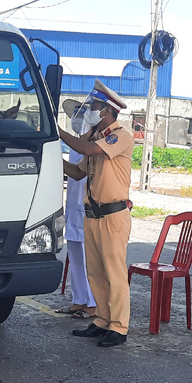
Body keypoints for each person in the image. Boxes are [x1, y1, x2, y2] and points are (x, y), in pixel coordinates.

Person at [60, 80, 133, 348]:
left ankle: (119, 326)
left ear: (107, 111)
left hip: (113, 216)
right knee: (96, 272)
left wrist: (57, 133)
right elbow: (78, 172)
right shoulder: (97, 140)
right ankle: (102, 320)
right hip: (91, 215)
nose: (90, 110)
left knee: (114, 273)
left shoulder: (120, 136)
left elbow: (88, 150)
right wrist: (53, 159)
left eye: (95, 106)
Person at [54, 99, 97, 319]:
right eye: (76, 116)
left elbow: (81, 174)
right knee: (76, 256)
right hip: (74, 207)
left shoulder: (94, 144)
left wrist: (59, 133)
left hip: (89, 209)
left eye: (82, 116)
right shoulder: (76, 145)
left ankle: (93, 304)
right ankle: (79, 300)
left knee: (90, 260)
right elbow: (73, 172)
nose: (78, 120)